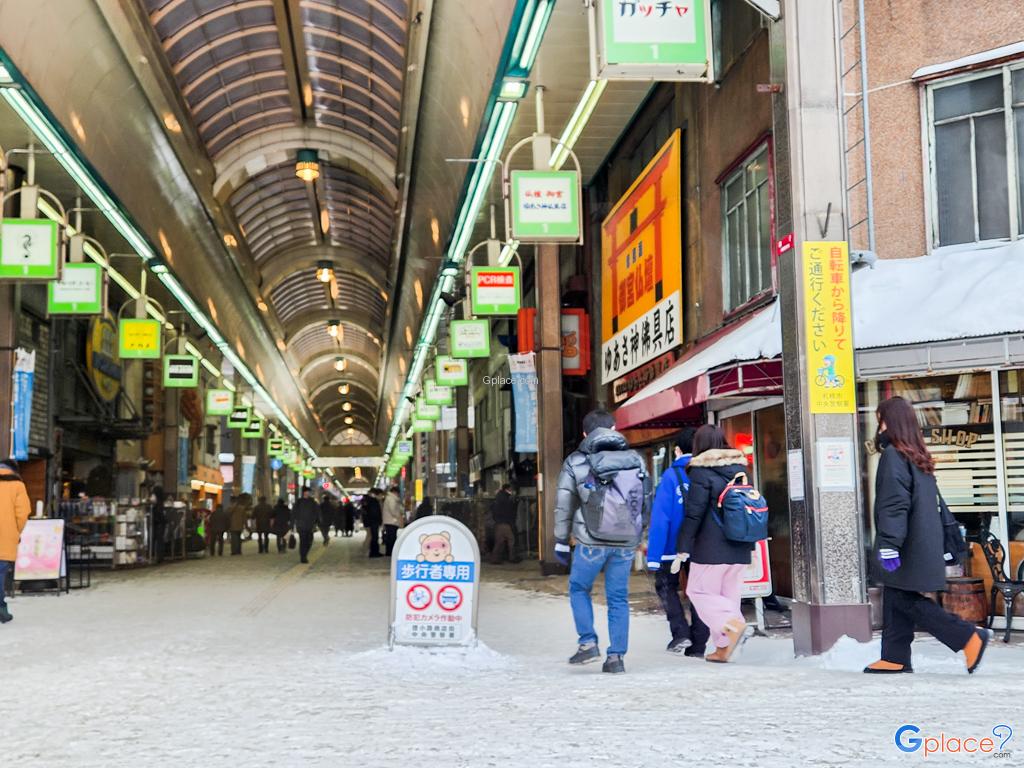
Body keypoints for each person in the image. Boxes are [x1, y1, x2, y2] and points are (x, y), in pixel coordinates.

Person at [864, 396, 991, 674]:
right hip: (920, 543)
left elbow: (895, 504)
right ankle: (895, 657)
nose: (879, 425)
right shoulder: (915, 455)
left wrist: (889, 544)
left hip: (906, 545)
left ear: (890, 422)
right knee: (896, 595)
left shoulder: (893, 456)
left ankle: (967, 637)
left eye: (881, 419)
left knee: (904, 599)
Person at [553, 409, 652, 674]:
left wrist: (561, 540)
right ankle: (616, 657)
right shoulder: (635, 459)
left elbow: (564, 503)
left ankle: (587, 642)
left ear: (585, 434)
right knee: (618, 598)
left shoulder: (575, 460)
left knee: (578, 588)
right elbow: (645, 500)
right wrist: (639, 535)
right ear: (614, 428)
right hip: (625, 542)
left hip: (590, 540)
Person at [672, 425, 754, 664]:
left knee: (698, 591)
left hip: (711, 547)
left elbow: (694, 514)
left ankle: (733, 626)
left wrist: (682, 548)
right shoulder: (741, 469)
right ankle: (723, 648)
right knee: (728, 598)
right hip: (739, 545)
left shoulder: (700, 471)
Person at [647, 427, 709, 656]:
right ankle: (699, 645)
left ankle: (680, 632)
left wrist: (653, 556)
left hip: (672, 547)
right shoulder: (709, 473)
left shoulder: (671, 477)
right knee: (699, 592)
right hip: (702, 545)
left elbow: (661, 518)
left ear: (677, 450)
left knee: (665, 585)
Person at [0, 459, 31, 624]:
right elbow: (22, 513)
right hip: (4, 538)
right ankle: (1, 610)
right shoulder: (17, 486)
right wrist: (15, 531)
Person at [489, 483, 520, 564]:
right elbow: (509, 510)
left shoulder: (498, 497)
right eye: (511, 489)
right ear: (508, 489)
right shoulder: (506, 498)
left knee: (499, 541)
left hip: (498, 522)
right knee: (511, 539)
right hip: (505, 522)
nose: (512, 491)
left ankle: (495, 559)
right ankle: (512, 557)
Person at [293, 487, 319, 564]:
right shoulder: (299, 502)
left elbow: (317, 512)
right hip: (301, 526)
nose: (308, 493)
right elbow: (294, 513)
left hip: (310, 525)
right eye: (307, 492)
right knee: (302, 541)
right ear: (304, 493)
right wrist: (292, 524)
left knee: (309, 541)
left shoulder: (313, 502)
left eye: (309, 492)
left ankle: (304, 554)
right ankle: (303, 557)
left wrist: (317, 521)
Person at [381, 485, 403, 557]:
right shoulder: (392, 499)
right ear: (395, 492)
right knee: (391, 537)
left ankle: (389, 551)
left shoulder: (389, 498)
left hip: (389, 520)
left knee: (390, 537)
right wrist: (398, 516)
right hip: (392, 521)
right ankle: (390, 552)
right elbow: (393, 510)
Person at [362, 490, 383, 558]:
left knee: (372, 537)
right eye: (380, 495)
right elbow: (375, 513)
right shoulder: (374, 501)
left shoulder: (368, 501)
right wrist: (378, 521)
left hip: (370, 522)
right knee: (374, 537)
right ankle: (374, 552)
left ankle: (373, 551)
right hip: (374, 522)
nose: (381, 497)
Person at [150, 486, 167, 564]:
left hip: (156, 522)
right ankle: (160, 557)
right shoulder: (162, 501)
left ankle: (153, 555)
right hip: (161, 522)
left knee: (154, 539)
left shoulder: (155, 500)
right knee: (160, 540)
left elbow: (152, 503)